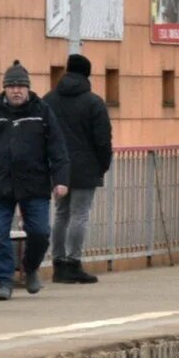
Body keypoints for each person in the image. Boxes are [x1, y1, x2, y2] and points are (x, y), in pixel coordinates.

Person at [0, 62, 69, 300]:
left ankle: (31, 267)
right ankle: (4, 281)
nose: (16, 91)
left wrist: (61, 179)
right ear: (5, 89)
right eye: (12, 86)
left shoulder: (42, 111)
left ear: (28, 89)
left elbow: (57, 148)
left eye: (21, 86)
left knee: (40, 232)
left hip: (34, 183)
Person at [43, 54, 112, 284]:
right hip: (86, 166)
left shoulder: (49, 100)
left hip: (56, 167)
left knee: (61, 213)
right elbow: (103, 140)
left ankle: (58, 263)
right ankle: (74, 263)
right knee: (79, 214)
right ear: (87, 74)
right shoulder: (93, 102)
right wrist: (103, 165)